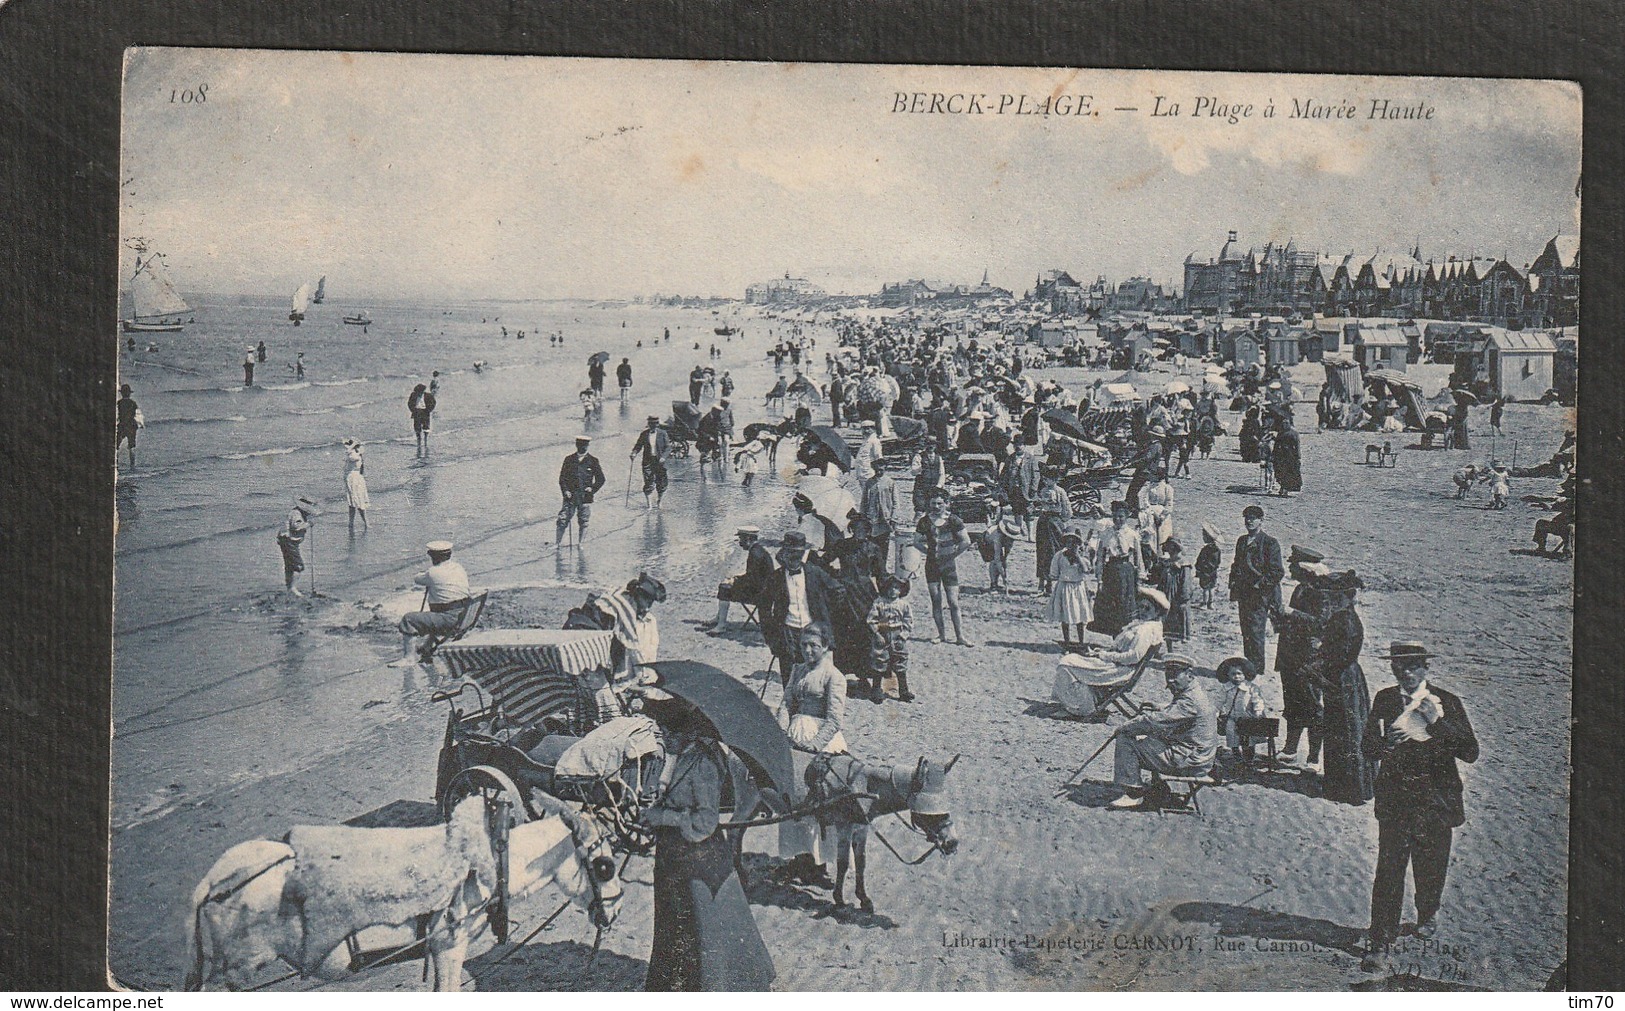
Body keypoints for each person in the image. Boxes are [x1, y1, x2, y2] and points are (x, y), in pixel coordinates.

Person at [640, 698, 775, 991]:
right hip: (673, 857)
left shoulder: (703, 764)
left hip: (698, 860)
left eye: (669, 734)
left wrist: (661, 816)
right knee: (677, 925)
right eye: (661, 733)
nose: (663, 739)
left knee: (706, 927)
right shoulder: (675, 756)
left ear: (686, 734)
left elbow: (705, 822)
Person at [1360, 641, 1479, 969]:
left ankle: (1427, 913)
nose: (1407, 673)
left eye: (1413, 666)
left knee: (1431, 866)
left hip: (1436, 800)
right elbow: (1367, 747)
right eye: (1400, 667)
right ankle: (1380, 940)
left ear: (1426, 668)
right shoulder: (1385, 699)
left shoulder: (1446, 701)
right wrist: (1385, 745)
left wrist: (1436, 723)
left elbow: (1470, 751)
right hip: (1396, 799)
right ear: (1393, 670)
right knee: (1389, 870)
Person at [777, 621, 847, 883]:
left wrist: (816, 744)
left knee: (818, 802)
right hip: (795, 735)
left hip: (820, 741)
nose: (807, 650)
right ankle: (798, 859)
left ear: (825, 646)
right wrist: (781, 731)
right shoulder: (797, 671)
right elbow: (786, 703)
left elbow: (835, 719)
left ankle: (819, 864)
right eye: (804, 645)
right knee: (792, 799)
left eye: (813, 646)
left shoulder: (833, 676)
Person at [1107, 654, 1219, 809]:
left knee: (1126, 741)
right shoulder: (1195, 691)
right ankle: (1157, 787)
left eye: (1174, 676)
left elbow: (1153, 721)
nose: (1170, 681)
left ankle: (1134, 794)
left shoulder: (1189, 701)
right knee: (1151, 739)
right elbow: (1177, 710)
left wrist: (1125, 726)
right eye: (1168, 676)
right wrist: (1160, 706)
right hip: (1198, 756)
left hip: (1189, 761)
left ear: (1189, 675)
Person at [1303, 570, 1375, 804]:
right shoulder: (1345, 617)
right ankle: (1348, 784)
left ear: (1347, 597)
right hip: (1347, 678)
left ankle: (1347, 787)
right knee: (1343, 728)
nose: (1331, 601)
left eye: (1336, 597)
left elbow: (1340, 654)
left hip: (1342, 679)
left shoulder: (1344, 620)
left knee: (1344, 730)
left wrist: (1320, 653)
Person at [1052, 587, 1167, 718]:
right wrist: (1102, 652)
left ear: (1157, 612)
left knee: (1066, 665)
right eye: (1141, 607)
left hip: (1120, 671)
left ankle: (1079, 708)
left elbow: (1133, 657)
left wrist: (1105, 655)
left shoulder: (1146, 630)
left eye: (1148, 609)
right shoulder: (1144, 625)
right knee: (1071, 659)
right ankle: (1084, 701)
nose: (1143, 611)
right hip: (1116, 665)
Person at [759, 532, 836, 684]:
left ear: (802, 554)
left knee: (815, 675)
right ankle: (791, 706)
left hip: (812, 630)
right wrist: (771, 639)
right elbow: (764, 609)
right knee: (789, 675)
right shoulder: (775, 577)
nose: (794, 558)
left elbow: (837, 589)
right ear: (784, 554)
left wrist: (825, 612)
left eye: (798, 554)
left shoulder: (814, 572)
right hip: (788, 631)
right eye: (791, 553)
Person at [1275, 546, 1328, 764]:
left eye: (1293, 565)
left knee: (1313, 706)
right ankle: (1290, 749)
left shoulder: (1321, 592)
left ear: (1305, 568)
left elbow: (1320, 623)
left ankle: (1314, 757)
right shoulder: (1300, 588)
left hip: (1308, 658)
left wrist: (1291, 614)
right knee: (1293, 704)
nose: (1289, 568)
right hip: (1290, 656)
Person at [392, 540, 472, 666]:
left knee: (409, 619)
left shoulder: (433, 572)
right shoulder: (458, 568)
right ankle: (427, 646)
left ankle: (409, 658)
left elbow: (417, 579)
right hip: (464, 615)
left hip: (449, 619)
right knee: (436, 610)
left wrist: (424, 573)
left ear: (433, 557)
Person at [1228, 505, 1284, 674]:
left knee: (1256, 632)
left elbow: (1277, 572)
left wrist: (1259, 586)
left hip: (1260, 596)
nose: (1249, 521)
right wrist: (1233, 582)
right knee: (1246, 630)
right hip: (1243, 594)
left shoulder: (1269, 543)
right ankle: (1249, 666)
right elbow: (1236, 564)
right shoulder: (1241, 541)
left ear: (1261, 521)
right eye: (1247, 518)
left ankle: (1257, 670)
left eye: (1253, 518)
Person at [916, 490, 973, 646]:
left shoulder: (954, 520)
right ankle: (941, 635)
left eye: (939, 503)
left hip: (948, 565)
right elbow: (916, 541)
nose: (936, 506)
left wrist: (952, 555)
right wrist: (929, 552)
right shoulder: (925, 521)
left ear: (946, 503)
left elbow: (966, 541)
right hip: (932, 565)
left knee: (953, 602)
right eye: (933, 503)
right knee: (936, 600)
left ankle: (960, 637)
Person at [703, 527, 775, 632]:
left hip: (761, 594)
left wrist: (734, 581)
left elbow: (752, 579)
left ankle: (721, 625)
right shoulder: (758, 550)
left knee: (724, 588)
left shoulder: (755, 554)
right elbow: (754, 576)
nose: (740, 543)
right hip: (765, 589)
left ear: (748, 539)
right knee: (727, 584)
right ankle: (718, 619)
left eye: (741, 539)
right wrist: (735, 579)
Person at [1090, 500, 1143, 636]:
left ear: (1126, 517)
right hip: (1111, 571)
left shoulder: (1132, 534)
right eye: (1115, 516)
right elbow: (1100, 557)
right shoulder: (1106, 533)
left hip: (1126, 571)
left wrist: (1139, 577)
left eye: (1121, 517)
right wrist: (1099, 578)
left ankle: (1123, 636)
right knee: (1111, 603)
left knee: (1125, 603)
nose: (1118, 519)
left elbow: (1138, 557)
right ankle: (1114, 636)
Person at [866, 574, 914, 703]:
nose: (893, 591)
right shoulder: (879, 602)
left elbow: (908, 622)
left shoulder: (904, 605)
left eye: (896, 588)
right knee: (880, 660)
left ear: (901, 590)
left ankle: (903, 691)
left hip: (897, 635)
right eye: (890, 588)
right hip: (883, 634)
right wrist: (877, 634)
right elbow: (871, 620)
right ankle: (876, 690)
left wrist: (903, 636)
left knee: (900, 660)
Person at [1215, 656, 1268, 764]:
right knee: (1232, 738)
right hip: (1232, 718)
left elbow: (1257, 700)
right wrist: (1216, 712)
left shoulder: (1251, 688)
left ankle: (1249, 759)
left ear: (1245, 674)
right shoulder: (1226, 688)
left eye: (1239, 674)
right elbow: (1219, 701)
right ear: (1228, 675)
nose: (1236, 677)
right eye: (1233, 674)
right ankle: (1237, 757)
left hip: (1247, 718)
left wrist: (1258, 711)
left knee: (1247, 740)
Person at [557, 435, 606, 541]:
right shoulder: (569, 459)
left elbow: (601, 479)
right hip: (570, 496)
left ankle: (581, 543)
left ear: (588, 446)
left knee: (584, 521)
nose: (582, 447)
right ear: (576, 445)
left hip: (585, 496)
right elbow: (562, 478)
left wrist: (592, 489)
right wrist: (565, 491)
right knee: (562, 519)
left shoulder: (593, 461)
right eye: (580, 444)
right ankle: (557, 543)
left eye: (584, 445)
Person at [1032, 469, 1073, 594]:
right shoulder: (1043, 490)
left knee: (1053, 550)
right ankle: (1041, 582)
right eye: (1044, 479)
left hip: (1055, 522)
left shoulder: (1060, 492)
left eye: (1048, 479)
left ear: (1055, 479)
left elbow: (1067, 510)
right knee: (1041, 551)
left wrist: (1061, 521)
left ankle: (1050, 583)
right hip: (1043, 521)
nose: (1045, 481)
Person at [1048, 531, 1092, 646]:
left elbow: (1086, 570)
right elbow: (1054, 573)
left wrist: (1077, 556)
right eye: (1068, 542)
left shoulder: (1082, 557)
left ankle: (1081, 642)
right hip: (1065, 586)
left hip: (1078, 587)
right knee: (1065, 616)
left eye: (1074, 542)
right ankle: (1066, 641)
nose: (1071, 545)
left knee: (1080, 615)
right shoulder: (1059, 556)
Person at [276, 496, 320, 596]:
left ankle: (289, 587)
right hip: (289, 541)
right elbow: (297, 527)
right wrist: (309, 524)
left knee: (289, 566)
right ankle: (292, 588)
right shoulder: (297, 514)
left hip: (286, 541)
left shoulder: (296, 512)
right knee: (298, 566)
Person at [1005, 437, 1041, 538]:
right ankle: (1020, 530)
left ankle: (1030, 535)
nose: (1018, 446)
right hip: (1014, 490)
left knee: (1029, 512)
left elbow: (1036, 476)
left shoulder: (1031, 459)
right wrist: (1005, 488)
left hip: (1027, 490)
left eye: (1020, 444)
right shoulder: (1010, 459)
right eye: (1016, 444)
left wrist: (1033, 488)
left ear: (1024, 446)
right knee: (1017, 511)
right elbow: (1004, 475)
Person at [1159, 539, 1194, 642]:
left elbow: (1186, 583)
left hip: (1177, 597)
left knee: (1178, 621)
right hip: (1166, 595)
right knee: (1167, 623)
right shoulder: (1167, 563)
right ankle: (1169, 648)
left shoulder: (1184, 565)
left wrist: (1184, 598)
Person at [342, 437, 369, 532]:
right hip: (354, 478)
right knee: (354, 501)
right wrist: (353, 444)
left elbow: (350, 451)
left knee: (355, 501)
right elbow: (348, 450)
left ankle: (360, 523)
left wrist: (353, 444)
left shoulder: (354, 453)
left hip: (355, 478)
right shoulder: (354, 453)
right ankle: (358, 523)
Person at [1272, 418, 1302, 497]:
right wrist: (1273, 454)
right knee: (1280, 473)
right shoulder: (1281, 433)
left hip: (1290, 457)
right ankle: (1282, 487)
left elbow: (1297, 445)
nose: (1284, 425)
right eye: (1283, 424)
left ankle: (1285, 489)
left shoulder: (1294, 433)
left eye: (1286, 423)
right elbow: (1276, 445)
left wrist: (1298, 456)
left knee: (1288, 474)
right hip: (1280, 456)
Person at [1195, 522, 1222, 608]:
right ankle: (1211, 603)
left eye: (1204, 535)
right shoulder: (1217, 549)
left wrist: (1199, 568)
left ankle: (1204, 603)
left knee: (1205, 588)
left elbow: (1201, 560)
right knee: (1212, 587)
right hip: (1213, 571)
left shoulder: (1206, 549)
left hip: (1205, 571)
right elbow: (1218, 561)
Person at [115, 385, 141, 467]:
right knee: (132, 446)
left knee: (116, 445)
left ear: (122, 393)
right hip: (131, 425)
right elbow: (137, 415)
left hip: (122, 425)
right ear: (129, 394)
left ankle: (116, 463)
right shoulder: (133, 403)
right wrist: (141, 424)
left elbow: (116, 416)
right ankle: (132, 464)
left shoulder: (119, 403)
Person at [408, 383, 435, 450]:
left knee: (426, 427)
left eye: (420, 392)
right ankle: (419, 441)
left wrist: (429, 410)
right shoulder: (413, 395)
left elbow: (433, 402)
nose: (419, 393)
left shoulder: (428, 395)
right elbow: (409, 403)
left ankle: (425, 440)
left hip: (425, 411)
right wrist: (413, 410)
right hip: (417, 411)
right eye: (418, 392)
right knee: (417, 427)